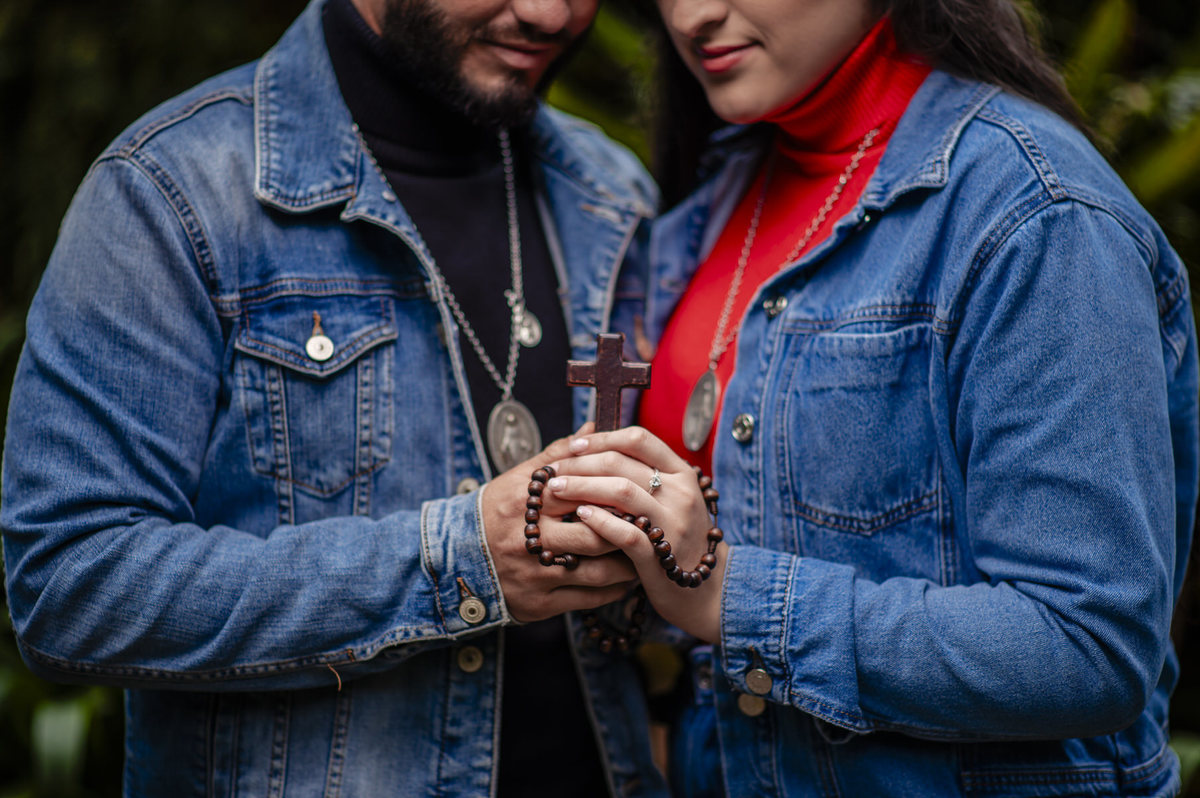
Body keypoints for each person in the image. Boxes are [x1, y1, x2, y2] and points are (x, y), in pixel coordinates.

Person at [0, 0, 667, 794]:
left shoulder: (612, 194)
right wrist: (461, 563)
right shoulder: (170, 191)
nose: (548, 13)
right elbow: (71, 584)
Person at [544, 0, 1200, 795]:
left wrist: (729, 597)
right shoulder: (711, 200)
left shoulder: (1038, 215)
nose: (694, 15)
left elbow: (1086, 647)